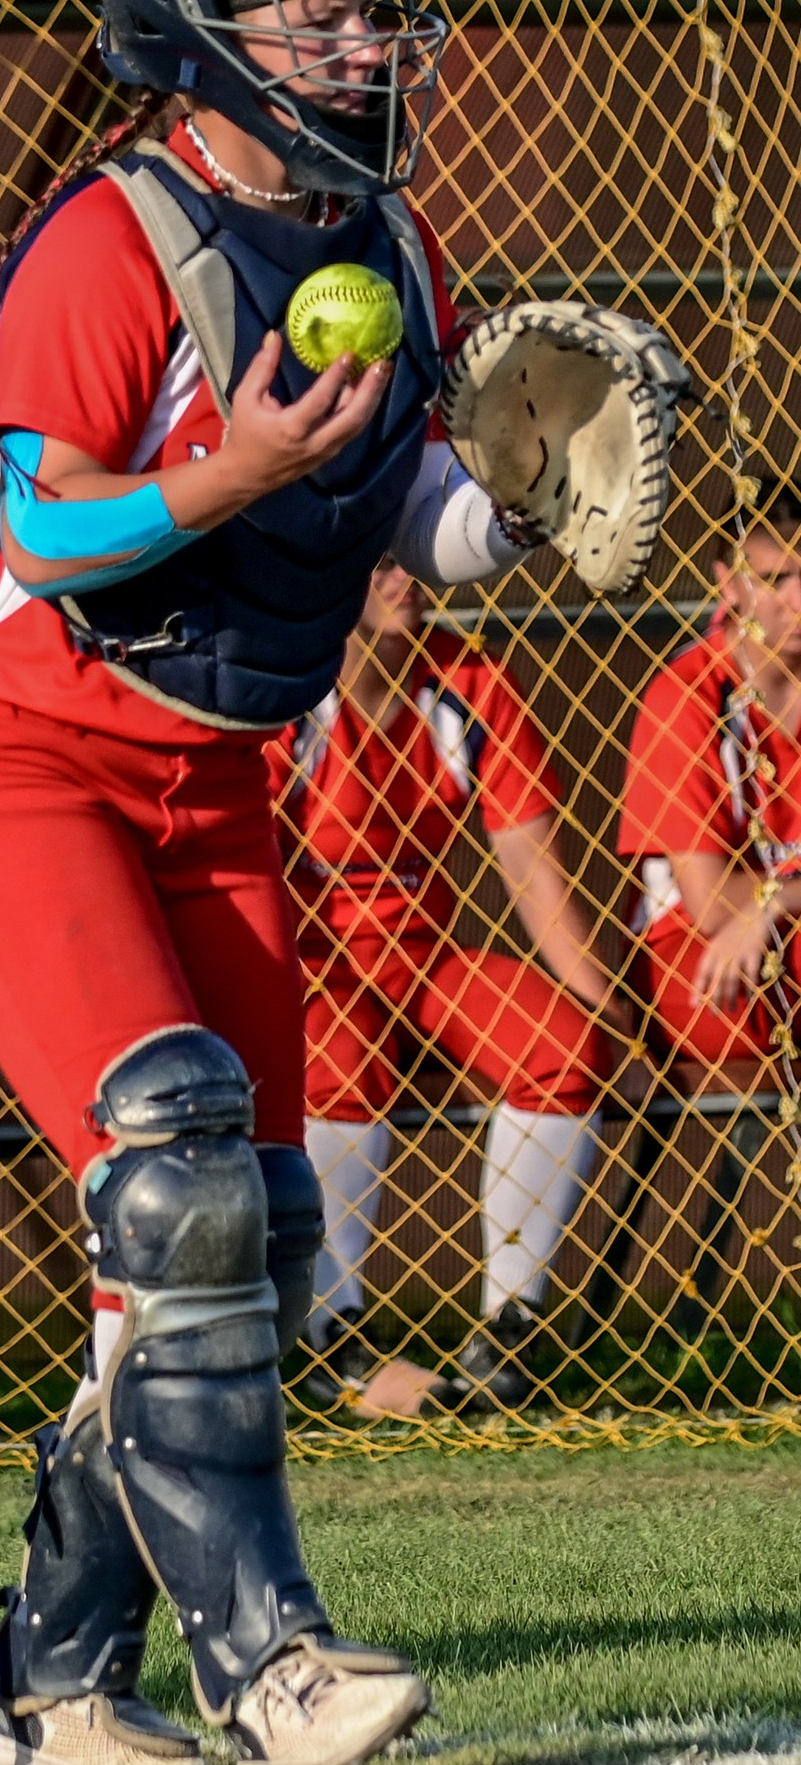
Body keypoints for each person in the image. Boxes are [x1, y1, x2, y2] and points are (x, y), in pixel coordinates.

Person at [0, 0, 551, 1765]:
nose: (359, 42)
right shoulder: (112, 238)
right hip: (14, 769)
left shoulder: (384, 241)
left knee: (236, 1236)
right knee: (172, 1156)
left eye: (371, 8)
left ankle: (47, 1685)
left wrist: (510, 522)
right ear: (201, 25)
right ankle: (266, 1664)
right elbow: (46, 522)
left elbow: (394, 499)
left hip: (210, 782)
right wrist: (230, 466)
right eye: (313, 9)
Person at [275, 562, 647, 1413]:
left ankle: (506, 1333)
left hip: (426, 962)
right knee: (340, 1050)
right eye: (380, 561)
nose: (407, 577)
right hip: (319, 968)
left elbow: (531, 873)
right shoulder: (287, 688)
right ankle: (340, 1343)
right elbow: (249, 883)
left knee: (560, 1043)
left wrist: (607, 1009)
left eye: (417, 557)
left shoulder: (466, 677)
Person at [621, 490, 801, 1077]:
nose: (798, 601)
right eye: (776, 579)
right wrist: (768, 907)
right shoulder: (686, 693)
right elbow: (710, 901)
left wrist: (777, 903)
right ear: (730, 584)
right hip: (697, 955)